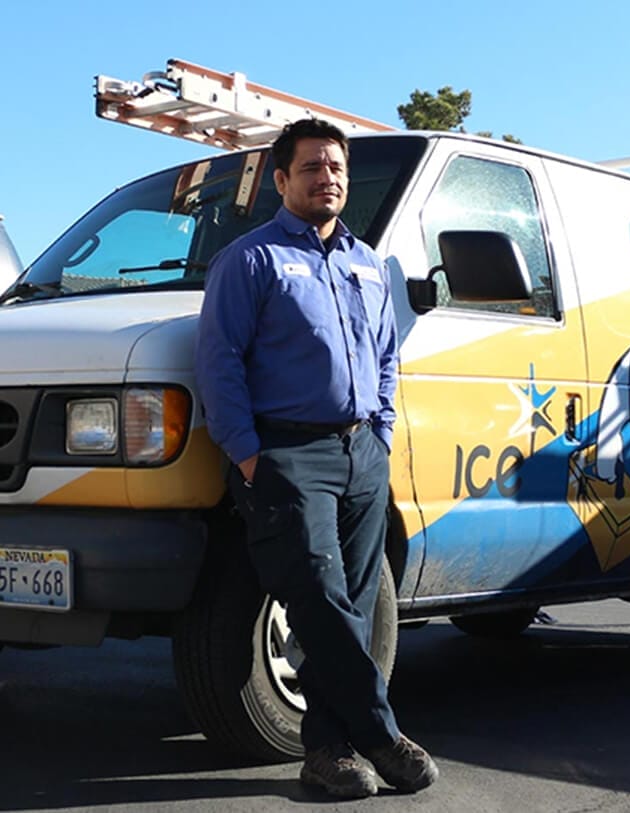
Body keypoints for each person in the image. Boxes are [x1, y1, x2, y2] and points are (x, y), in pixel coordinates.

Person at [195, 118, 438, 799]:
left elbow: (387, 355)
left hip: (361, 451)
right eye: (311, 168)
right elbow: (219, 364)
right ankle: (382, 733)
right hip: (286, 451)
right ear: (282, 180)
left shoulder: (368, 263)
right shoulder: (250, 260)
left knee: (357, 602)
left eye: (336, 167)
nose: (327, 178)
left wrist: (381, 432)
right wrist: (248, 455)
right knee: (321, 598)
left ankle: (328, 750)